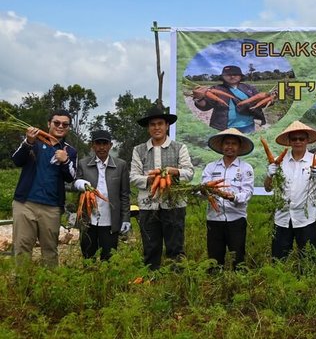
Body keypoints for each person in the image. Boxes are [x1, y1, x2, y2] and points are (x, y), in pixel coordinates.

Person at [130, 105, 194, 270]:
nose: (156, 127)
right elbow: (133, 177)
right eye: (153, 124)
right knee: (151, 246)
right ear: (148, 128)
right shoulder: (139, 150)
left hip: (174, 204)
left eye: (160, 123)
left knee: (175, 246)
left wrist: (174, 172)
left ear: (167, 126)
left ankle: (176, 278)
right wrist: (151, 180)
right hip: (148, 204)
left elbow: (189, 173)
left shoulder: (179, 148)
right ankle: (152, 277)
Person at [11, 110, 78, 267]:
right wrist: (28, 142)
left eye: (65, 124)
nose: (60, 126)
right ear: (49, 124)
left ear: (68, 127)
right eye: (56, 123)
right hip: (25, 203)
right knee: (22, 248)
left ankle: (48, 288)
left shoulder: (70, 150)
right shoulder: (34, 141)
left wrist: (66, 161)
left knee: (50, 250)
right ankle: (22, 287)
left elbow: (71, 177)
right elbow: (16, 160)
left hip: (52, 207)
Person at [264, 120, 316, 260]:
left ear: (307, 141)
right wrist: (269, 175)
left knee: (309, 259)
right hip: (282, 217)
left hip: (307, 218)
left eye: (301, 138)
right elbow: (267, 188)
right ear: (289, 141)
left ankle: (307, 281)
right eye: (294, 139)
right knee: (279, 259)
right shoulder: (278, 161)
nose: (298, 141)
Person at [73, 130, 132, 261]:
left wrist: (126, 218)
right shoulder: (83, 164)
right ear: (92, 146)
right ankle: (90, 279)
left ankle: (106, 280)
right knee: (88, 256)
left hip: (110, 221)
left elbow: (124, 194)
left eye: (105, 143)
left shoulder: (120, 165)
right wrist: (79, 184)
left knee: (109, 257)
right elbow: (73, 184)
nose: (101, 147)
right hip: (89, 220)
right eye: (98, 143)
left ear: (110, 145)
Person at [201, 128, 255, 270]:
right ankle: (214, 285)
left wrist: (233, 197)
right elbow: (203, 189)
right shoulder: (211, 167)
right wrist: (204, 191)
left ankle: (238, 286)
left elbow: (247, 193)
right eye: (227, 143)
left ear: (239, 147)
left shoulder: (246, 168)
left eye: (233, 144)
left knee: (238, 258)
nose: (230, 147)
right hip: (214, 218)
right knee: (214, 259)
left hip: (236, 220)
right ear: (221, 146)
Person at [192, 65, 270, 132]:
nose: (232, 76)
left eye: (235, 74)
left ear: (240, 76)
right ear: (223, 77)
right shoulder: (216, 88)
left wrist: (271, 99)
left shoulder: (248, 88)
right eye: (228, 74)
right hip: (223, 128)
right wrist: (199, 98)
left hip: (247, 126)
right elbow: (205, 106)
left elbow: (261, 102)